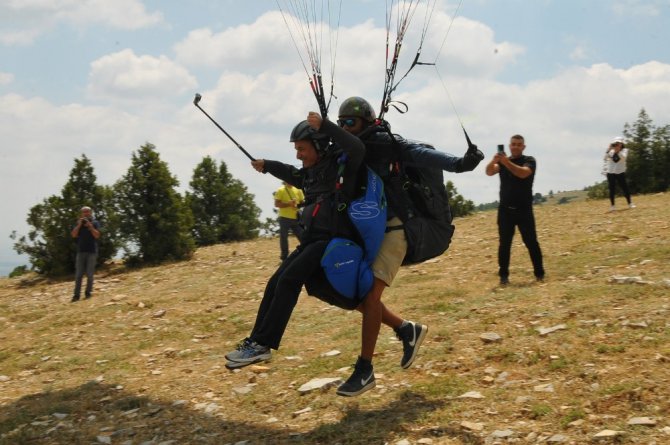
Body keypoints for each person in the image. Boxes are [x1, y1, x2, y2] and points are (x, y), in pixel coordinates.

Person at [334, 96, 485, 396]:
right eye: (341, 124)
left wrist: (460, 163)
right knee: (359, 299)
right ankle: (407, 329)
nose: (345, 129)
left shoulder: (389, 145)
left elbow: (423, 155)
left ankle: (365, 369)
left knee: (371, 295)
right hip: (368, 232)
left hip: (395, 230)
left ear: (364, 121)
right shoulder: (344, 151)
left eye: (350, 123)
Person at [225, 111, 369, 370]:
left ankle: (263, 345)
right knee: (276, 281)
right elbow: (290, 171)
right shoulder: (310, 174)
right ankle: (255, 343)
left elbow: (357, 147)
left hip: (332, 241)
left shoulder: (340, 168)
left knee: (289, 280)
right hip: (312, 241)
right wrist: (267, 165)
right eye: (296, 149)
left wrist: (326, 126)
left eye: (302, 148)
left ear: (319, 146)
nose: (298, 154)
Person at [485, 134, 545, 285]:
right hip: (505, 211)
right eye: (513, 144)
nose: (516, 146)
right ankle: (503, 277)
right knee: (504, 244)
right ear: (509, 146)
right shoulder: (504, 162)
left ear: (523, 147)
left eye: (519, 144)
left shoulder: (529, 161)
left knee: (531, 242)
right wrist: (494, 161)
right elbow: (489, 172)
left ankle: (539, 274)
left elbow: (523, 173)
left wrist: (506, 162)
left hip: (524, 210)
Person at [71, 206, 101, 302]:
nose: (86, 213)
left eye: (87, 211)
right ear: (81, 214)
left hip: (92, 251)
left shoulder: (95, 223)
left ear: (91, 213)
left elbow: (97, 235)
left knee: (89, 274)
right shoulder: (78, 224)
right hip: (81, 251)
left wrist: (90, 226)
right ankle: (76, 295)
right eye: (84, 212)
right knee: (78, 274)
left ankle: (88, 293)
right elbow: (73, 235)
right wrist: (79, 225)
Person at [274, 181, 305, 261]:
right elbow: (276, 204)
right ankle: (284, 257)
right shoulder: (281, 190)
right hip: (284, 218)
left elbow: (303, 202)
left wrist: (297, 205)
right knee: (283, 238)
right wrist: (289, 204)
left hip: (296, 218)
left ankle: (305, 252)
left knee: (302, 236)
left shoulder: (298, 190)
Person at [604, 136, 634, 211]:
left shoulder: (625, 150)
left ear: (621, 144)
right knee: (612, 189)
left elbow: (623, 158)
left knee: (625, 188)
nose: (617, 145)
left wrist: (617, 151)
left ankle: (630, 203)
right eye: (616, 143)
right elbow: (605, 158)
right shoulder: (611, 151)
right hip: (611, 172)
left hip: (620, 172)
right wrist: (608, 150)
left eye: (619, 143)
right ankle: (612, 206)